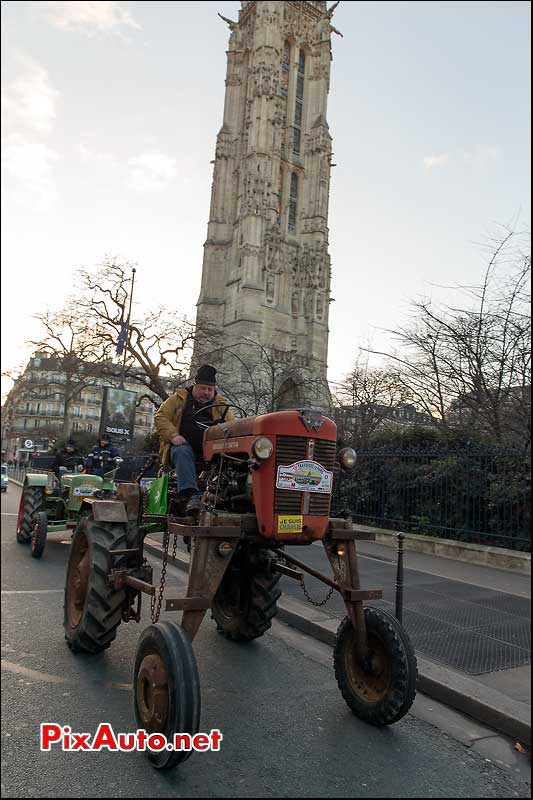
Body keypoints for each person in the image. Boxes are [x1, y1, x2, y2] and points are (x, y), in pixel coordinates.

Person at [154, 364, 235, 513]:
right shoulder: (178, 399)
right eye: (203, 388)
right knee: (181, 451)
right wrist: (174, 436)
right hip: (184, 448)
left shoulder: (221, 405)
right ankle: (191, 494)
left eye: (209, 390)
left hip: (212, 452)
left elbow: (233, 426)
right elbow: (161, 417)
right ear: (195, 386)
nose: (206, 392)